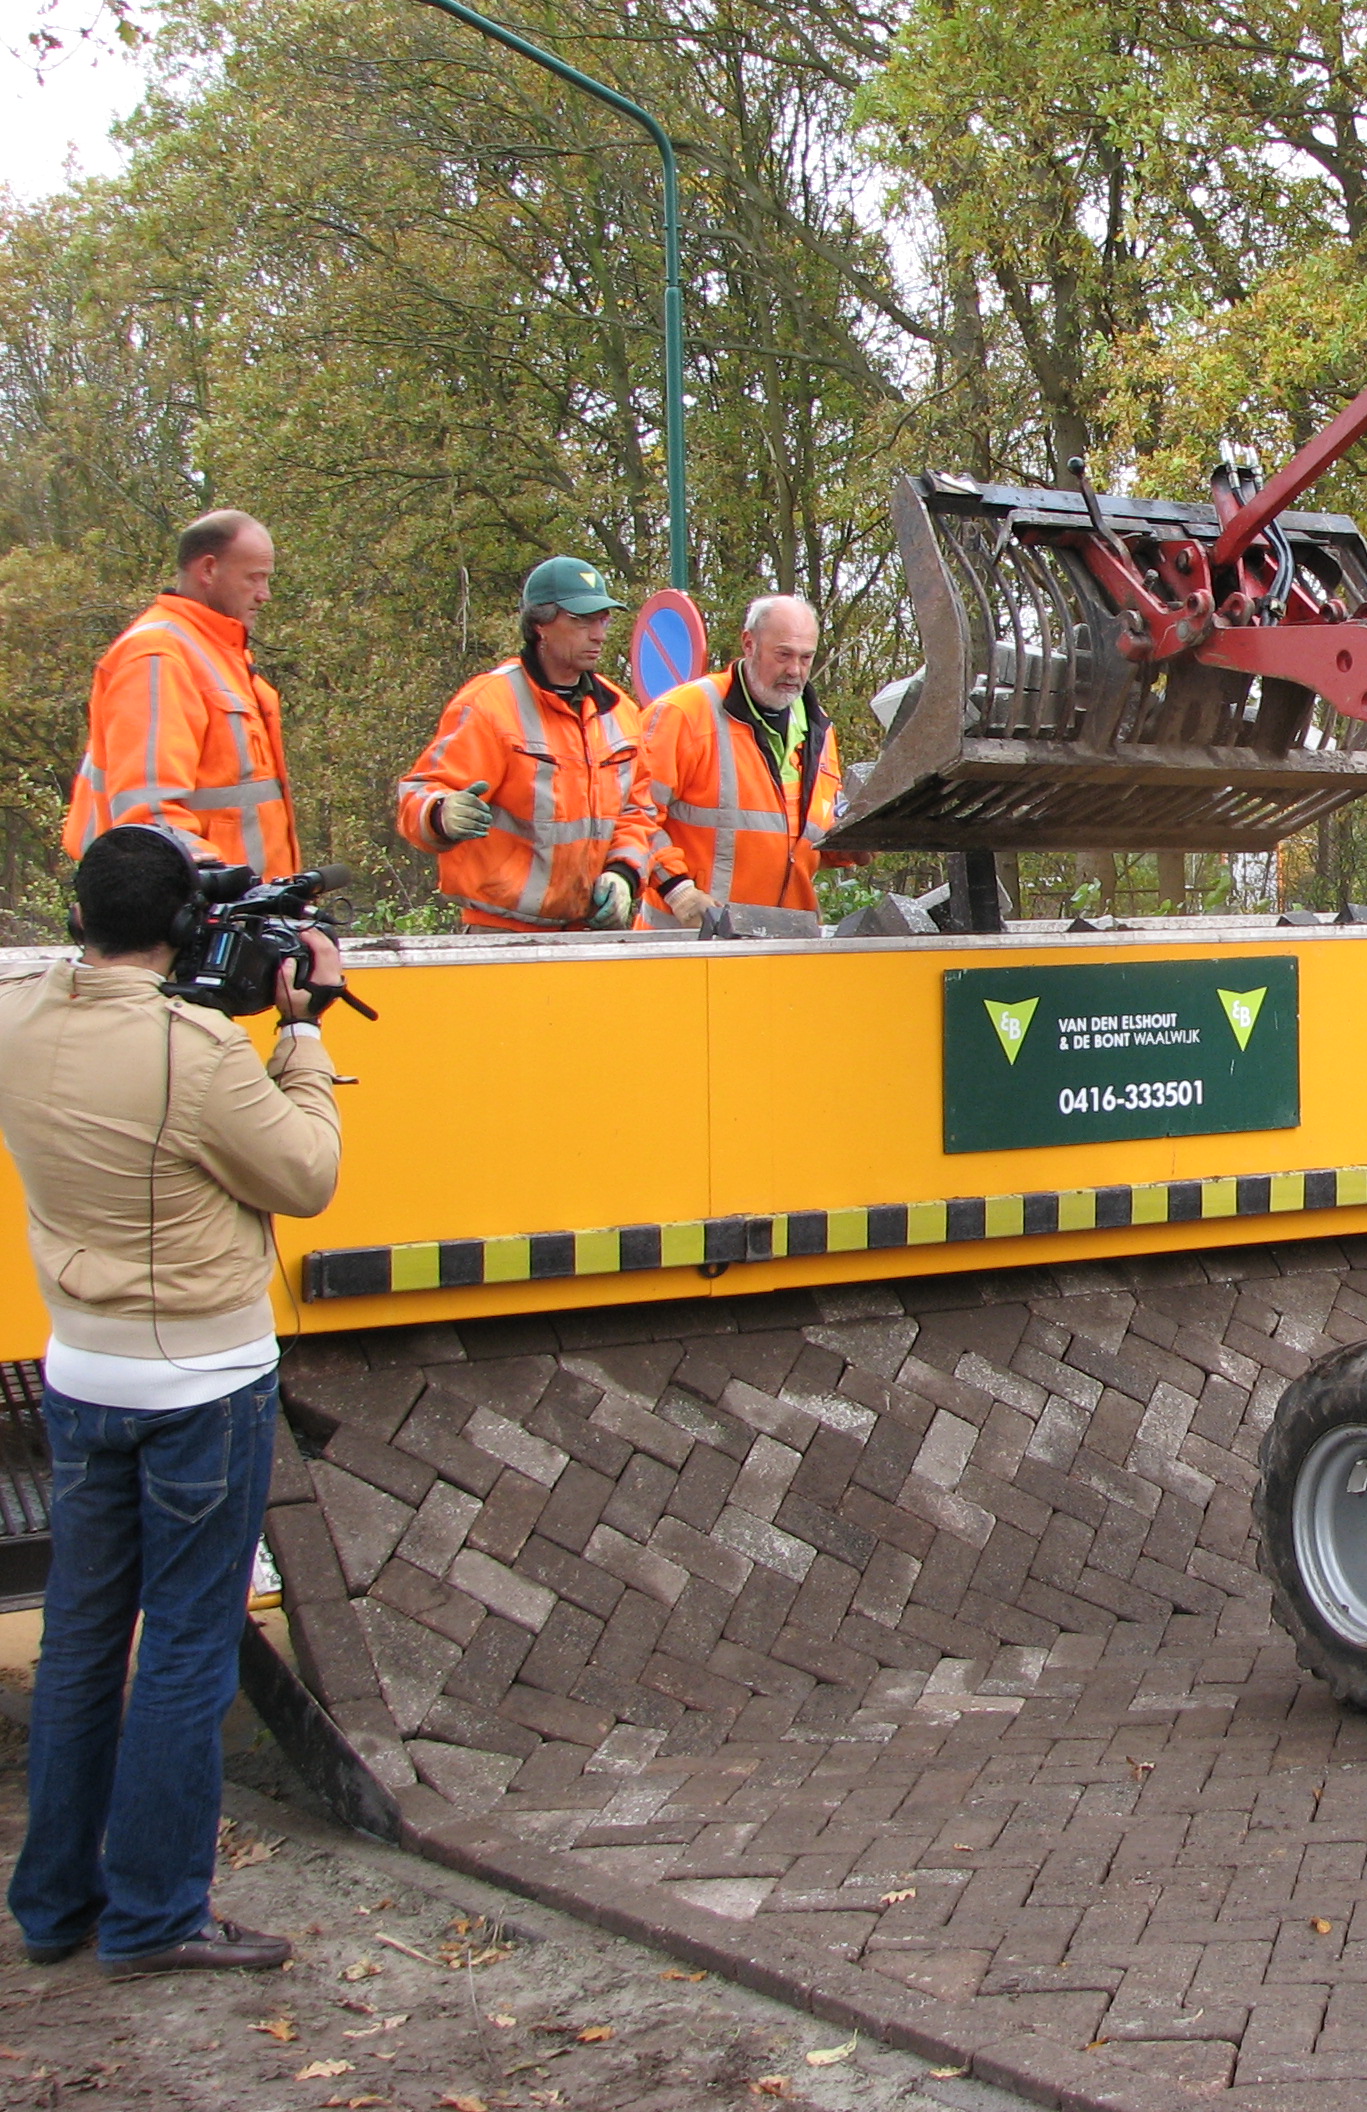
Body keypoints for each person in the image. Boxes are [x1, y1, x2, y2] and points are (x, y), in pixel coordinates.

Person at [0, 825, 344, 1975]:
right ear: (187, 926)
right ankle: (155, 1915)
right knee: (191, 1645)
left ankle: (55, 1907)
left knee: (86, 1640)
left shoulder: (20, 1019)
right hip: (201, 1382)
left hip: (82, 1374)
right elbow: (303, 1174)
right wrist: (300, 1033)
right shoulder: (192, 1053)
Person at [394, 557, 658, 931]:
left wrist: (623, 873)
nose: (598, 634)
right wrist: (440, 813)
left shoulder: (618, 709)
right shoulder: (490, 703)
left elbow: (638, 811)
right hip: (500, 935)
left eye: (603, 619)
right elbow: (417, 794)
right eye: (582, 620)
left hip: (592, 934)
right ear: (540, 626)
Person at [64, 511, 300, 878]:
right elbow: (152, 823)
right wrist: (227, 905)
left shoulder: (215, 651)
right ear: (208, 570)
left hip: (235, 913)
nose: (264, 594)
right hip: (193, 916)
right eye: (255, 578)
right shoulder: (158, 657)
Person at [640, 593, 859, 926]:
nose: (794, 670)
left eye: (805, 657)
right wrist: (676, 888)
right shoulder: (684, 715)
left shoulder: (818, 728)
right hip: (689, 946)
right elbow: (632, 814)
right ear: (749, 643)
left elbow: (801, 840)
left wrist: (854, 842)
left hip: (782, 948)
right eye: (783, 654)